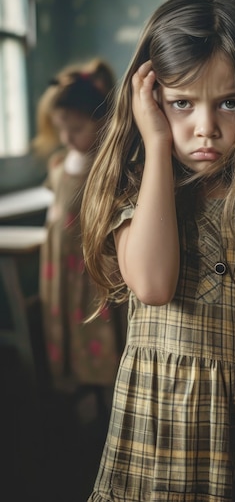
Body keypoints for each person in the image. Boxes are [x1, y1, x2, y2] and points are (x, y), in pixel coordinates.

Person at [81, 0, 235, 502]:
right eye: (182, 104)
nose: (205, 127)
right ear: (151, 101)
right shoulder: (135, 188)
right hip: (149, 443)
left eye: (229, 102)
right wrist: (154, 146)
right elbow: (152, 284)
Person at [33, 58, 125, 417]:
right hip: (60, 268)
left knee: (96, 327)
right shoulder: (59, 165)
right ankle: (78, 388)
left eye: (77, 127)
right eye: (62, 129)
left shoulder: (105, 165)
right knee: (66, 324)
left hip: (93, 267)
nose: (69, 137)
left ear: (101, 121)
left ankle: (106, 393)